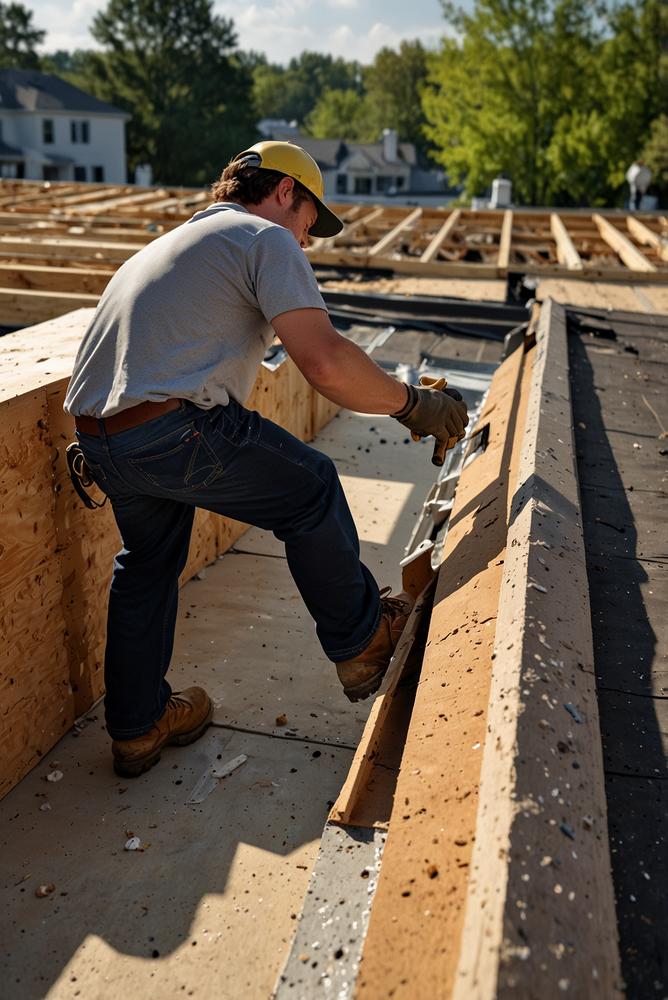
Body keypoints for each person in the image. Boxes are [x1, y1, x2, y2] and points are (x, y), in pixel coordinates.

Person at [64, 141, 469, 778]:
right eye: (309, 221)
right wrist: (412, 405)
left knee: (147, 563)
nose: (305, 242)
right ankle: (362, 640)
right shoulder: (264, 239)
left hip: (103, 443)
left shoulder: (176, 245)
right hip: (174, 429)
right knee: (310, 488)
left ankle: (138, 726)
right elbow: (325, 362)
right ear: (285, 193)